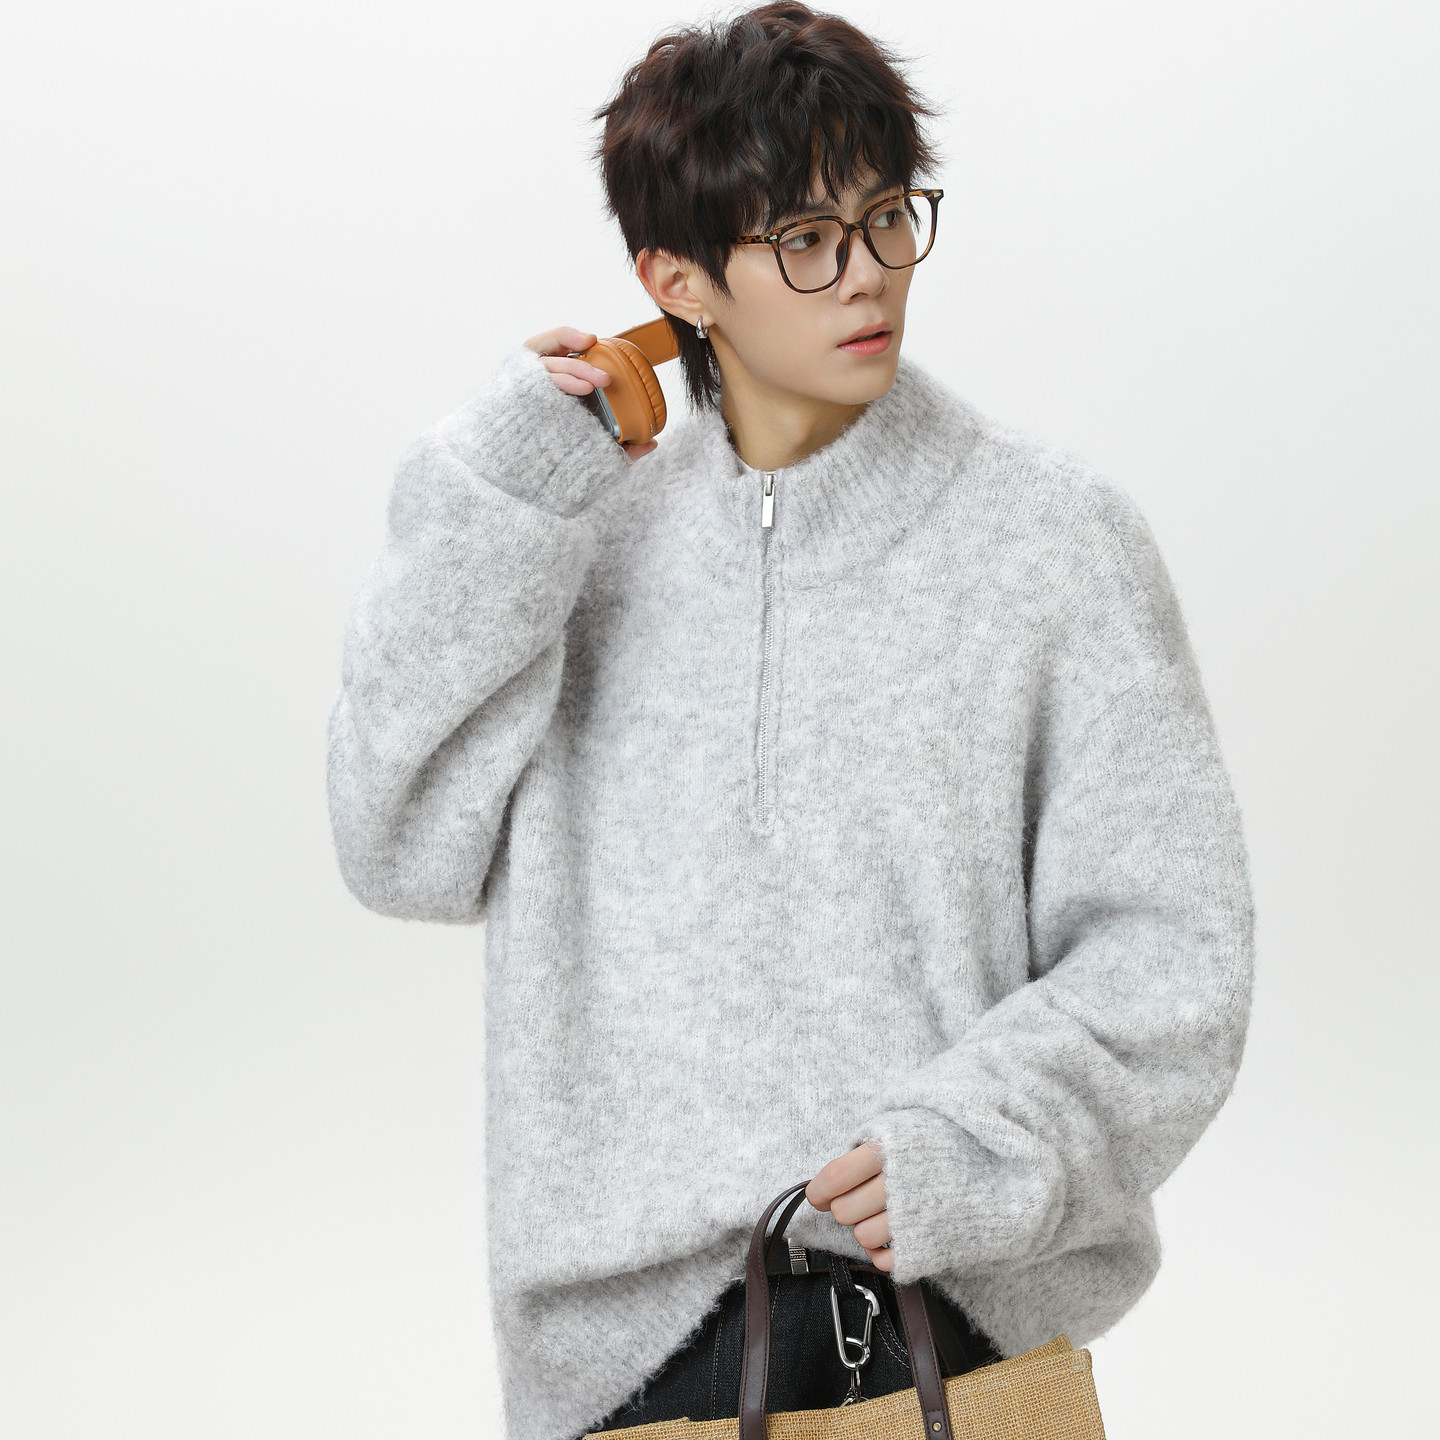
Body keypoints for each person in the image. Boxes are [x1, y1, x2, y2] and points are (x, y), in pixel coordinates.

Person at [324, 5, 1256, 1439]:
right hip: (622, 1354)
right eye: (807, 239)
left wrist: (976, 1144)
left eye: (887, 219)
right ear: (676, 280)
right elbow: (398, 849)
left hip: (949, 1311)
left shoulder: (1056, 544)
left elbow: (1172, 954)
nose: (867, 273)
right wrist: (507, 489)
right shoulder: (562, 546)